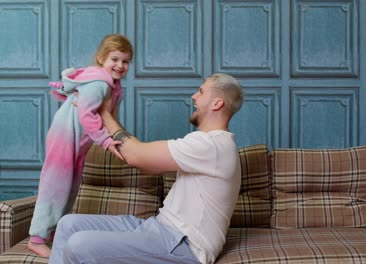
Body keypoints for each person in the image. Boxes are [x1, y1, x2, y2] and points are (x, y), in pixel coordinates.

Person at [48, 73, 245, 264]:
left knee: (79, 245)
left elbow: (136, 156)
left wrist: (103, 114)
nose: (194, 96)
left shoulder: (213, 146)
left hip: (186, 246)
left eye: (201, 92)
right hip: (160, 228)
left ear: (217, 103)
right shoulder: (211, 145)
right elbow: (146, 166)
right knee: (68, 224)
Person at [28, 34, 132, 257]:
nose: (120, 65)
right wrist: (105, 140)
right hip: (65, 137)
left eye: (125, 61)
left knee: (70, 186)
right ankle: (36, 238)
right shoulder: (99, 83)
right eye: (115, 59)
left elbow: (109, 117)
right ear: (101, 58)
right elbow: (86, 114)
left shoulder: (115, 87)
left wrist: (118, 137)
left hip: (78, 142)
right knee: (55, 185)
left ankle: (55, 231)